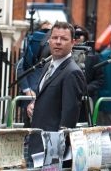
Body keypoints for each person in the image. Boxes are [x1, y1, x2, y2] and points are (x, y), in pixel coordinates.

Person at [27, 21, 87, 155]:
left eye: (64, 39)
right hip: (37, 142)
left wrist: (56, 152)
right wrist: (34, 104)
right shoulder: (48, 65)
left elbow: (69, 118)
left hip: (52, 150)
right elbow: (47, 97)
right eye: (54, 38)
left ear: (73, 43)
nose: (58, 42)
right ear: (49, 41)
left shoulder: (73, 72)